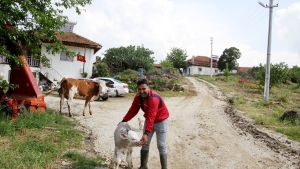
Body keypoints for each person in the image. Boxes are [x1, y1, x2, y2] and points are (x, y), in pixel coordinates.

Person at [120, 78, 169, 169]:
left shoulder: (154, 98)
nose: (141, 91)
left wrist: (146, 133)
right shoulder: (138, 97)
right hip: (149, 119)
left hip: (161, 121)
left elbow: (152, 115)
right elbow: (133, 110)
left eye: (144, 89)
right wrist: (124, 120)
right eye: (139, 89)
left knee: (161, 144)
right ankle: (143, 166)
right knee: (144, 143)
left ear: (148, 88)